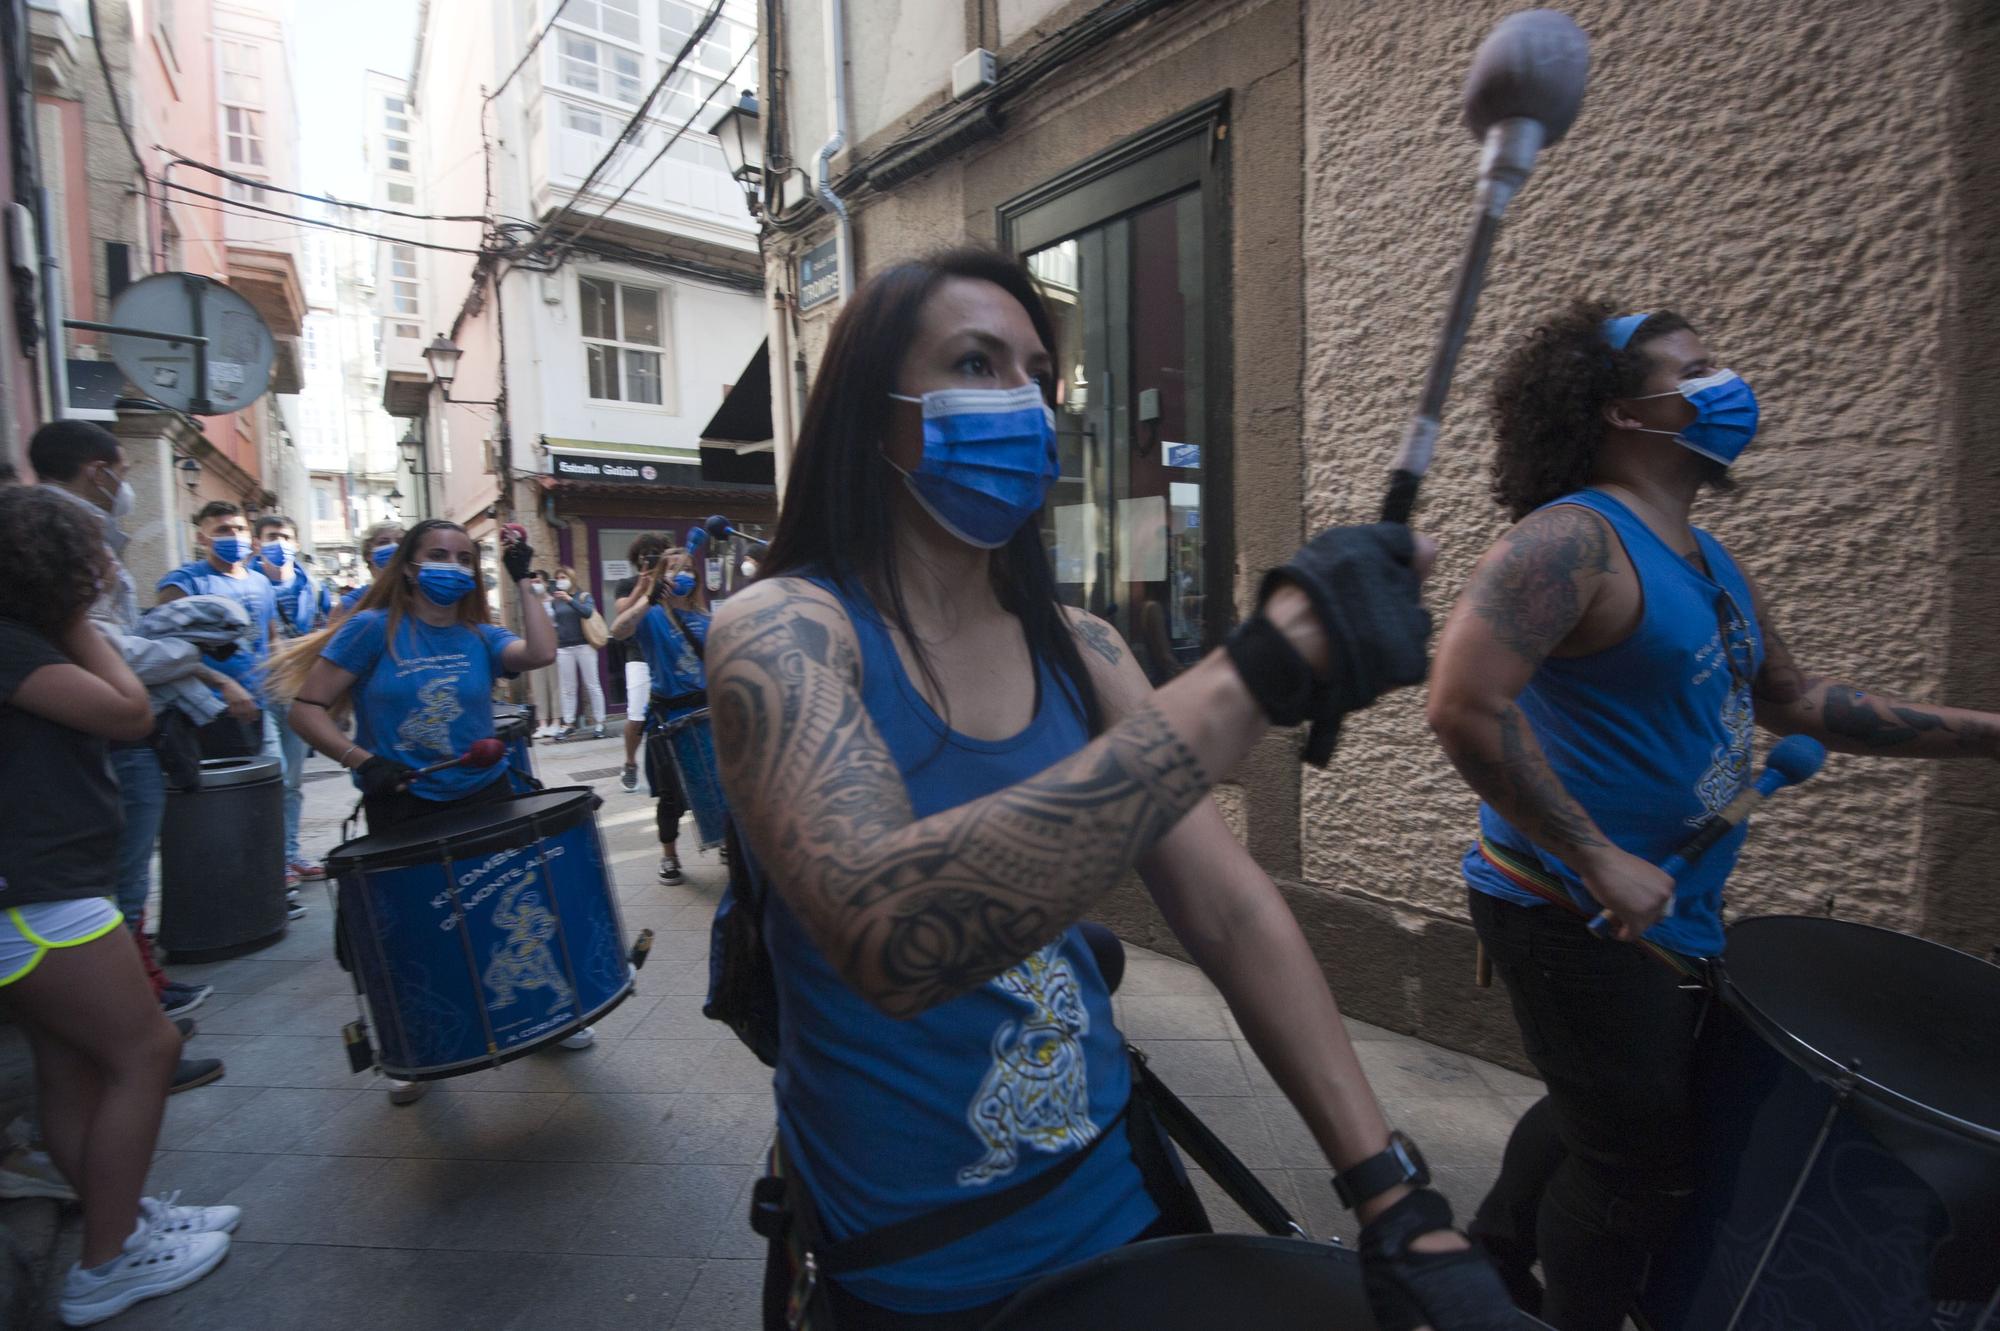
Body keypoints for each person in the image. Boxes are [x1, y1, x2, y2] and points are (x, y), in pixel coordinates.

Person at [708, 249, 1511, 1330]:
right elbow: (888, 932)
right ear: (871, 413)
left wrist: (1390, 1191)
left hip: (1118, 1197)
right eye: (975, 363)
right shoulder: (782, 631)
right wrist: (1259, 667)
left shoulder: (1080, 648)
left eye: (1037, 375)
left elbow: (1228, 909)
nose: (1023, 401)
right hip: (908, 1268)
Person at [1426, 300, 2000, 1331]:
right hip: (1569, 907)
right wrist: (1596, 857)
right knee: (1638, 1167)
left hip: (1670, 902)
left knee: (1604, 1105)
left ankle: (1490, 1260)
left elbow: (1795, 701)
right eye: (1694, 370)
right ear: (1624, 412)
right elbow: (1462, 702)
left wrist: (1988, 733)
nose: (1725, 385)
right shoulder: (1570, 541)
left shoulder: (1706, 557)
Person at [0, 487, 239, 1328]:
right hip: (39, 894)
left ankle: (121, 1218)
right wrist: (75, 619)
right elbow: (129, 711)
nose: (111, 560)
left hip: (44, 889)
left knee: (71, 1065)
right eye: (95, 548)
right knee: (147, 1049)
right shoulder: (19, 646)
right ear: (54, 565)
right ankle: (107, 1260)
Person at [273, 519, 584, 1105]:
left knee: (510, 911)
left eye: (464, 558)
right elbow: (306, 708)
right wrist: (362, 760)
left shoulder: (479, 636)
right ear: (411, 568)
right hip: (403, 799)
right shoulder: (371, 629)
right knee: (412, 930)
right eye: (439, 555)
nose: (453, 566)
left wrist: (525, 580)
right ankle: (412, 1045)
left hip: (486, 793)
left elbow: (542, 652)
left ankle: (548, 1018)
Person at [31, 421, 236, 1075]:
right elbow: (114, 670)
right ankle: (131, 1019)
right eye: (121, 471)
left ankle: (134, 1001)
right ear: (98, 471)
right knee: (117, 882)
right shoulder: (65, 538)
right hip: (95, 753)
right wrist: (189, 654)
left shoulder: (60, 536)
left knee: (118, 881)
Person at [609, 546, 706, 886]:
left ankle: (724, 841)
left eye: (688, 568)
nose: (682, 574)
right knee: (670, 793)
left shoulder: (706, 618)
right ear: (662, 576)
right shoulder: (650, 617)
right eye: (674, 568)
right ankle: (669, 855)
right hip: (669, 716)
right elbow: (618, 630)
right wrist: (648, 599)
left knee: (715, 785)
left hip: (706, 712)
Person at [156, 502, 281, 766]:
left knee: (273, 780)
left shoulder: (261, 582)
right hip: (208, 711)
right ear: (202, 538)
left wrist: (281, 678)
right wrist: (221, 684)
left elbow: (271, 637)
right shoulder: (184, 583)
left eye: (240, 529)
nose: (234, 536)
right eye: (223, 530)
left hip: (260, 706)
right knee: (228, 787)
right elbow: (163, 649)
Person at [252, 514, 331, 893]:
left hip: (295, 690)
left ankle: (290, 852)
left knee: (293, 781)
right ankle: (272, 859)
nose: (279, 544)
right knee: (274, 776)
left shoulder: (312, 587)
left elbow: (323, 633)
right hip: (257, 692)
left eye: (285, 537)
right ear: (258, 543)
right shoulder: (251, 584)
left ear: (296, 543)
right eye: (272, 537)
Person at [610, 534, 670, 791]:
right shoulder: (627, 584)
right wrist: (641, 588)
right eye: (645, 554)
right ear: (637, 559)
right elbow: (621, 613)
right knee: (637, 715)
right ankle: (631, 762)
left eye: (656, 553)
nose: (650, 557)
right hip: (638, 657)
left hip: (666, 654)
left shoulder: (670, 582)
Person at [548, 565, 606, 738]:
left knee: (592, 684)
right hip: (564, 647)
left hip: (584, 646)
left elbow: (587, 613)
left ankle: (600, 723)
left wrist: (569, 600)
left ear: (572, 579)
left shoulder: (584, 596)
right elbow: (554, 623)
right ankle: (568, 723)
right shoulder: (555, 601)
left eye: (563, 577)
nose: (560, 581)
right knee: (568, 687)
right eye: (558, 578)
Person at [331, 521, 407, 626]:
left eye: (400, 542)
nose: (394, 546)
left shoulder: (418, 598)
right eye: (384, 542)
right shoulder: (349, 604)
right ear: (368, 554)